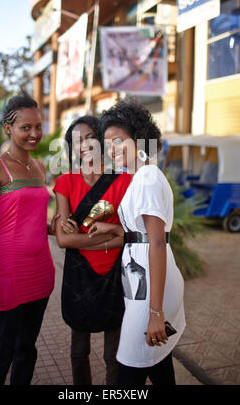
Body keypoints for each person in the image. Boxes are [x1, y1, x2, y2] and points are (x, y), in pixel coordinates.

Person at [88, 100, 186, 385]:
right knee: (156, 361)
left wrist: (156, 312)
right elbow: (141, 233)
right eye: (107, 144)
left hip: (150, 289)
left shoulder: (146, 178)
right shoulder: (139, 178)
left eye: (119, 141)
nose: (111, 150)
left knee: (129, 365)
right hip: (143, 281)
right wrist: (111, 226)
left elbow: (156, 242)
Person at [0, 91, 56, 385]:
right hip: (6, 279)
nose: (34, 134)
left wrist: (56, 226)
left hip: (41, 275)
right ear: (8, 129)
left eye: (38, 126)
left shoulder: (39, 168)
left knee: (26, 351)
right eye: (25, 127)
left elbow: (32, 220)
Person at [53, 116, 131, 385]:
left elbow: (130, 236)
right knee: (78, 350)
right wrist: (110, 238)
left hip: (114, 274)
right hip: (79, 273)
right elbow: (63, 240)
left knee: (114, 353)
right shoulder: (65, 182)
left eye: (89, 137)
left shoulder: (123, 182)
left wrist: (83, 237)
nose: (84, 145)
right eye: (77, 141)